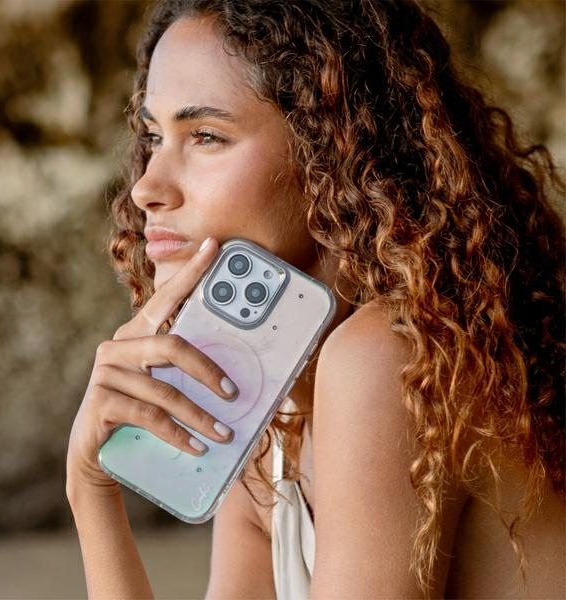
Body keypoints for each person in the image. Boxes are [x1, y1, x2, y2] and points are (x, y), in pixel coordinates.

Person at [66, 1, 565, 598]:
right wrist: (89, 491)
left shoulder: (385, 356)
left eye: (206, 136)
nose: (146, 187)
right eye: (153, 136)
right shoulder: (272, 410)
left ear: (332, 148)